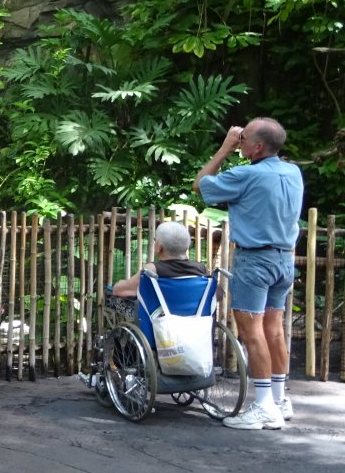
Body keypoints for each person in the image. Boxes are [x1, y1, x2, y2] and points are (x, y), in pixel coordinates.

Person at [194, 118, 304, 431]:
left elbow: (201, 184)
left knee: (251, 332)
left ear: (256, 147)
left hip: (254, 262)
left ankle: (264, 407)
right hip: (283, 261)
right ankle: (280, 400)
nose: (240, 143)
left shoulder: (245, 175)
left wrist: (225, 148)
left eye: (243, 140)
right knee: (273, 330)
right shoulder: (293, 172)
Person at [81, 220, 207, 389]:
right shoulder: (201, 271)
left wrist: (118, 284)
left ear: (159, 247)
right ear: (187, 246)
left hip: (160, 334)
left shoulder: (152, 271)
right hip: (195, 333)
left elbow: (120, 290)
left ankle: (116, 372)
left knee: (119, 322)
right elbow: (217, 295)